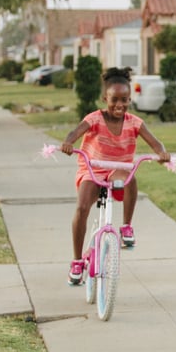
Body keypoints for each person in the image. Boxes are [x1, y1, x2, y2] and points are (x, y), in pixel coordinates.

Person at [59, 66, 170, 285]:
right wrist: (68, 142)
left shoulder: (135, 123)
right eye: (114, 99)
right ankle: (76, 261)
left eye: (125, 100)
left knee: (129, 178)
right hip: (93, 168)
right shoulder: (95, 118)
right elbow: (75, 132)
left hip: (117, 168)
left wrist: (161, 153)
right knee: (82, 208)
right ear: (105, 98)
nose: (119, 105)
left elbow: (155, 142)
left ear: (130, 99)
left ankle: (126, 226)